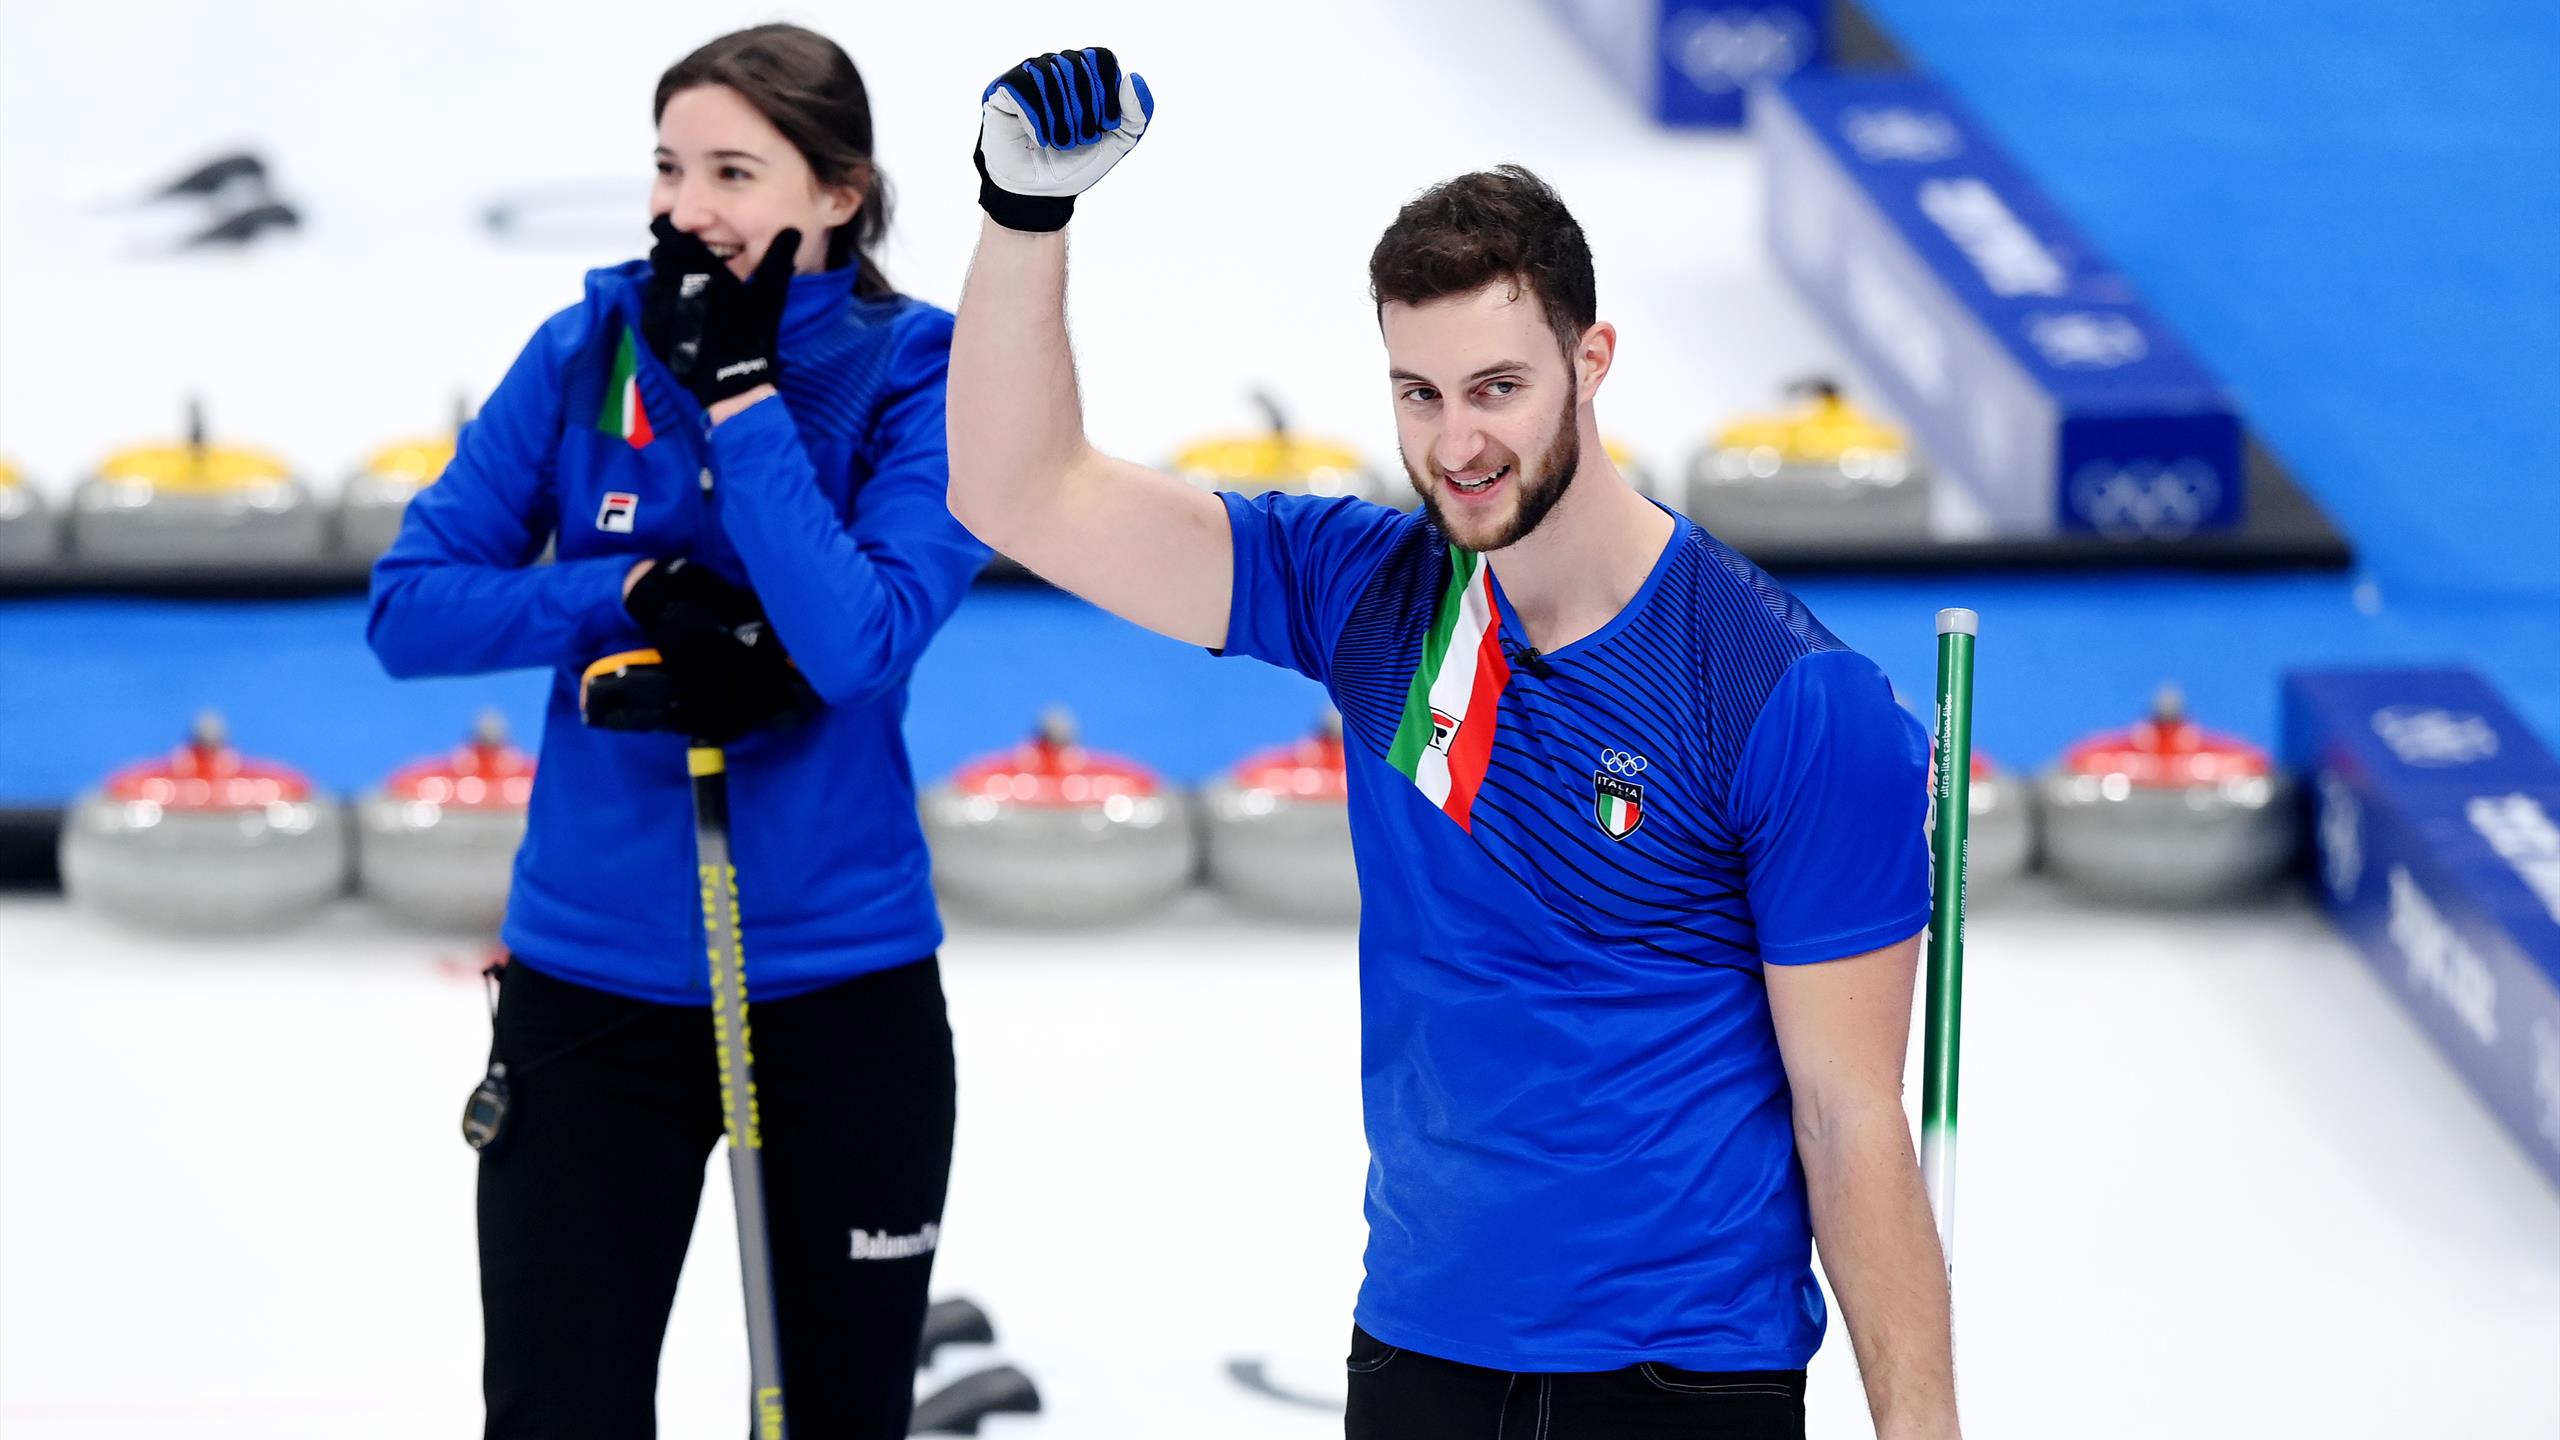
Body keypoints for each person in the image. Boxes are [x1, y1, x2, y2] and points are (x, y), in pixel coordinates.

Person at [948, 49, 1959, 1440]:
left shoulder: (1786, 694)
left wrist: (1922, 1423)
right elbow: (1020, 496)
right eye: (1417, 393)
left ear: (1591, 364)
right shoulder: (1368, 594)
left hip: (1684, 1378)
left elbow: (1851, 1121)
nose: (1457, 441)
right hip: (1419, 1350)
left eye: (1496, 387)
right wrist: (1022, 217)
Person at [368, 24, 986, 1438]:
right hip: (594, 981)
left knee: (833, 1418)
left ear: (840, 193)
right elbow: (410, 610)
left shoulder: (917, 371)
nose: (686, 207)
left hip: (837, 986)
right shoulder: (589, 347)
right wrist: (625, 591)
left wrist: (743, 401)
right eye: (667, 168)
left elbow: (860, 642)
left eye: (732, 172)